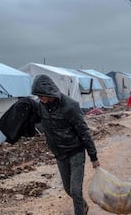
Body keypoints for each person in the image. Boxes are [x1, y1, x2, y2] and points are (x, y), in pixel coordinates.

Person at [32, 74, 100, 215]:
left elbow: (84, 132)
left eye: (42, 95)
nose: (40, 99)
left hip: (76, 152)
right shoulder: (42, 107)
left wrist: (93, 156)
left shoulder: (70, 106)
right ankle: (83, 206)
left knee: (75, 190)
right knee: (68, 190)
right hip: (59, 154)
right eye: (38, 96)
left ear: (49, 92)